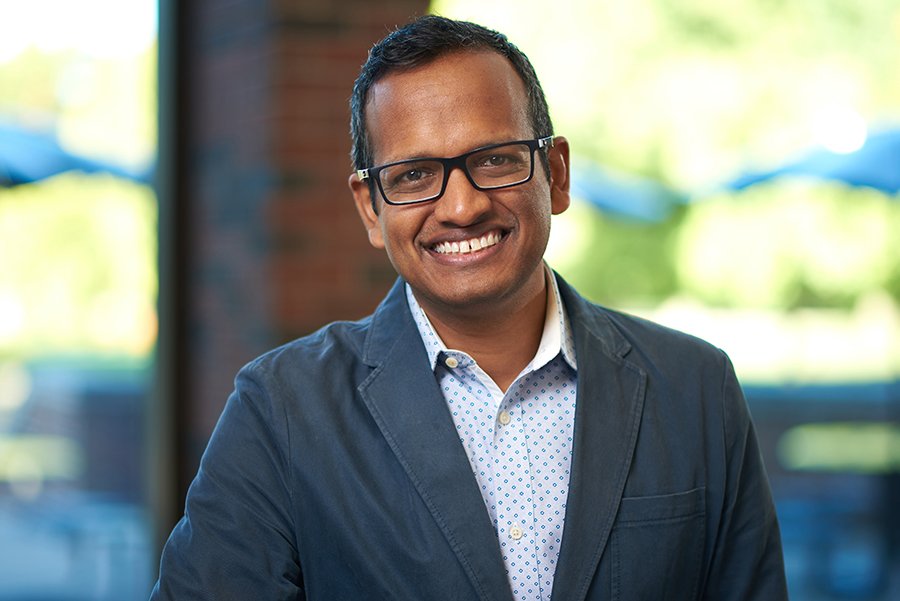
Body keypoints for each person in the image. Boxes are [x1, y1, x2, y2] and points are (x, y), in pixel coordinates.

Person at [151, 15, 788, 601]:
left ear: (556, 173)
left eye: (495, 160)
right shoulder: (281, 409)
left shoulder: (696, 390)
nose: (461, 207)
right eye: (413, 176)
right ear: (371, 209)